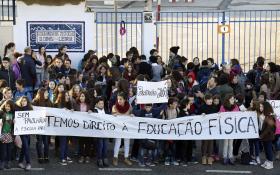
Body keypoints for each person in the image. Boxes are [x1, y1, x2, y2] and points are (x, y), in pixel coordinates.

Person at [32, 88, 52, 164]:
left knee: (46, 142)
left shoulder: (49, 102)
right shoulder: (35, 101)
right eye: (46, 93)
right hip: (38, 125)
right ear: (41, 94)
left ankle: (46, 156)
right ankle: (40, 157)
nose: (47, 94)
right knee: (39, 141)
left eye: (47, 93)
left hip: (47, 125)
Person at [112, 92, 133, 166]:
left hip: (127, 127)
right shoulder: (114, 107)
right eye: (118, 99)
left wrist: (132, 115)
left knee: (127, 142)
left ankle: (126, 158)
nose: (119, 101)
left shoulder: (129, 106)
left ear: (124, 100)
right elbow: (112, 117)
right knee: (118, 142)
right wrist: (114, 115)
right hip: (118, 127)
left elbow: (131, 114)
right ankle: (115, 157)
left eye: (120, 99)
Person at [219, 94, 240, 165]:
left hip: (233, 128)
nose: (233, 100)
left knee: (231, 144)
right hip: (225, 128)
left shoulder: (236, 107)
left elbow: (238, 116)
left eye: (233, 99)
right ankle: (225, 157)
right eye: (231, 99)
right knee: (225, 143)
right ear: (228, 100)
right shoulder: (223, 107)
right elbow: (221, 116)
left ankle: (230, 156)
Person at [73, 91, 92, 164]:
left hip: (88, 127)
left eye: (83, 96)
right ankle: (81, 156)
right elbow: (73, 113)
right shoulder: (76, 104)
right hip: (80, 127)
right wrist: (72, 111)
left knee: (88, 142)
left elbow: (94, 113)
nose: (81, 97)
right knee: (81, 142)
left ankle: (87, 156)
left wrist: (91, 111)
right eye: (80, 96)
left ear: (86, 97)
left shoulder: (89, 104)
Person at [199, 94, 217, 165]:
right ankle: (203, 156)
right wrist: (201, 114)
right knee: (205, 142)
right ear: (205, 100)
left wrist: (218, 114)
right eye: (208, 100)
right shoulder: (202, 107)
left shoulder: (214, 107)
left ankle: (209, 156)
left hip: (212, 127)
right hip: (205, 127)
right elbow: (198, 115)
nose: (210, 101)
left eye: (211, 99)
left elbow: (216, 115)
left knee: (211, 143)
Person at [16, 96, 33, 171]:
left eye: (25, 101)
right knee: (26, 146)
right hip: (21, 131)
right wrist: (14, 120)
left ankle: (20, 162)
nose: (23, 102)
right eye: (22, 101)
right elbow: (15, 117)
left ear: (27, 102)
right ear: (20, 101)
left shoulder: (30, 109)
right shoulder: (17, 109)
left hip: (28, 131)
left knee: (24, 147)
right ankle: (28, 163)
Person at [259, 101, 276, 169]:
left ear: (265, 107)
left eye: (262, 107)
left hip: (268, 136)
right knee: (266, 149)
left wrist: (261, 135)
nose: (260, 108)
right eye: (260, 106)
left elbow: (268, 128)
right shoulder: (262, 114)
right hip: (264, 136)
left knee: (269, 149)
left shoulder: (269, 116)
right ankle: (267, 160)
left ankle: (271, 162)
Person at [93, 97, 109, 167]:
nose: (101, 105)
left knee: (105, 146)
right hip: (98, 132)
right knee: (100, 146)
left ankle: (104, 158)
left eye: (102, 103)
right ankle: (99, 159)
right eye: (100, 104)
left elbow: (110, 117)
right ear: (96, 104)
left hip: (105, 132)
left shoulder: (106, 110)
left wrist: (113, 116)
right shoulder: (94, 111)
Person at [0, 100, 15, 170]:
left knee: (9, 149)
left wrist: (15, 122)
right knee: (3, 149)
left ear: (11, 107)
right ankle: (2, 162)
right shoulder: (1, 113)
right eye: (6, 106)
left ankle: (8, 162)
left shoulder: (13, 114)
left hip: (10, 134)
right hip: (3, 134)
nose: (7, 107)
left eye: (9, 106)